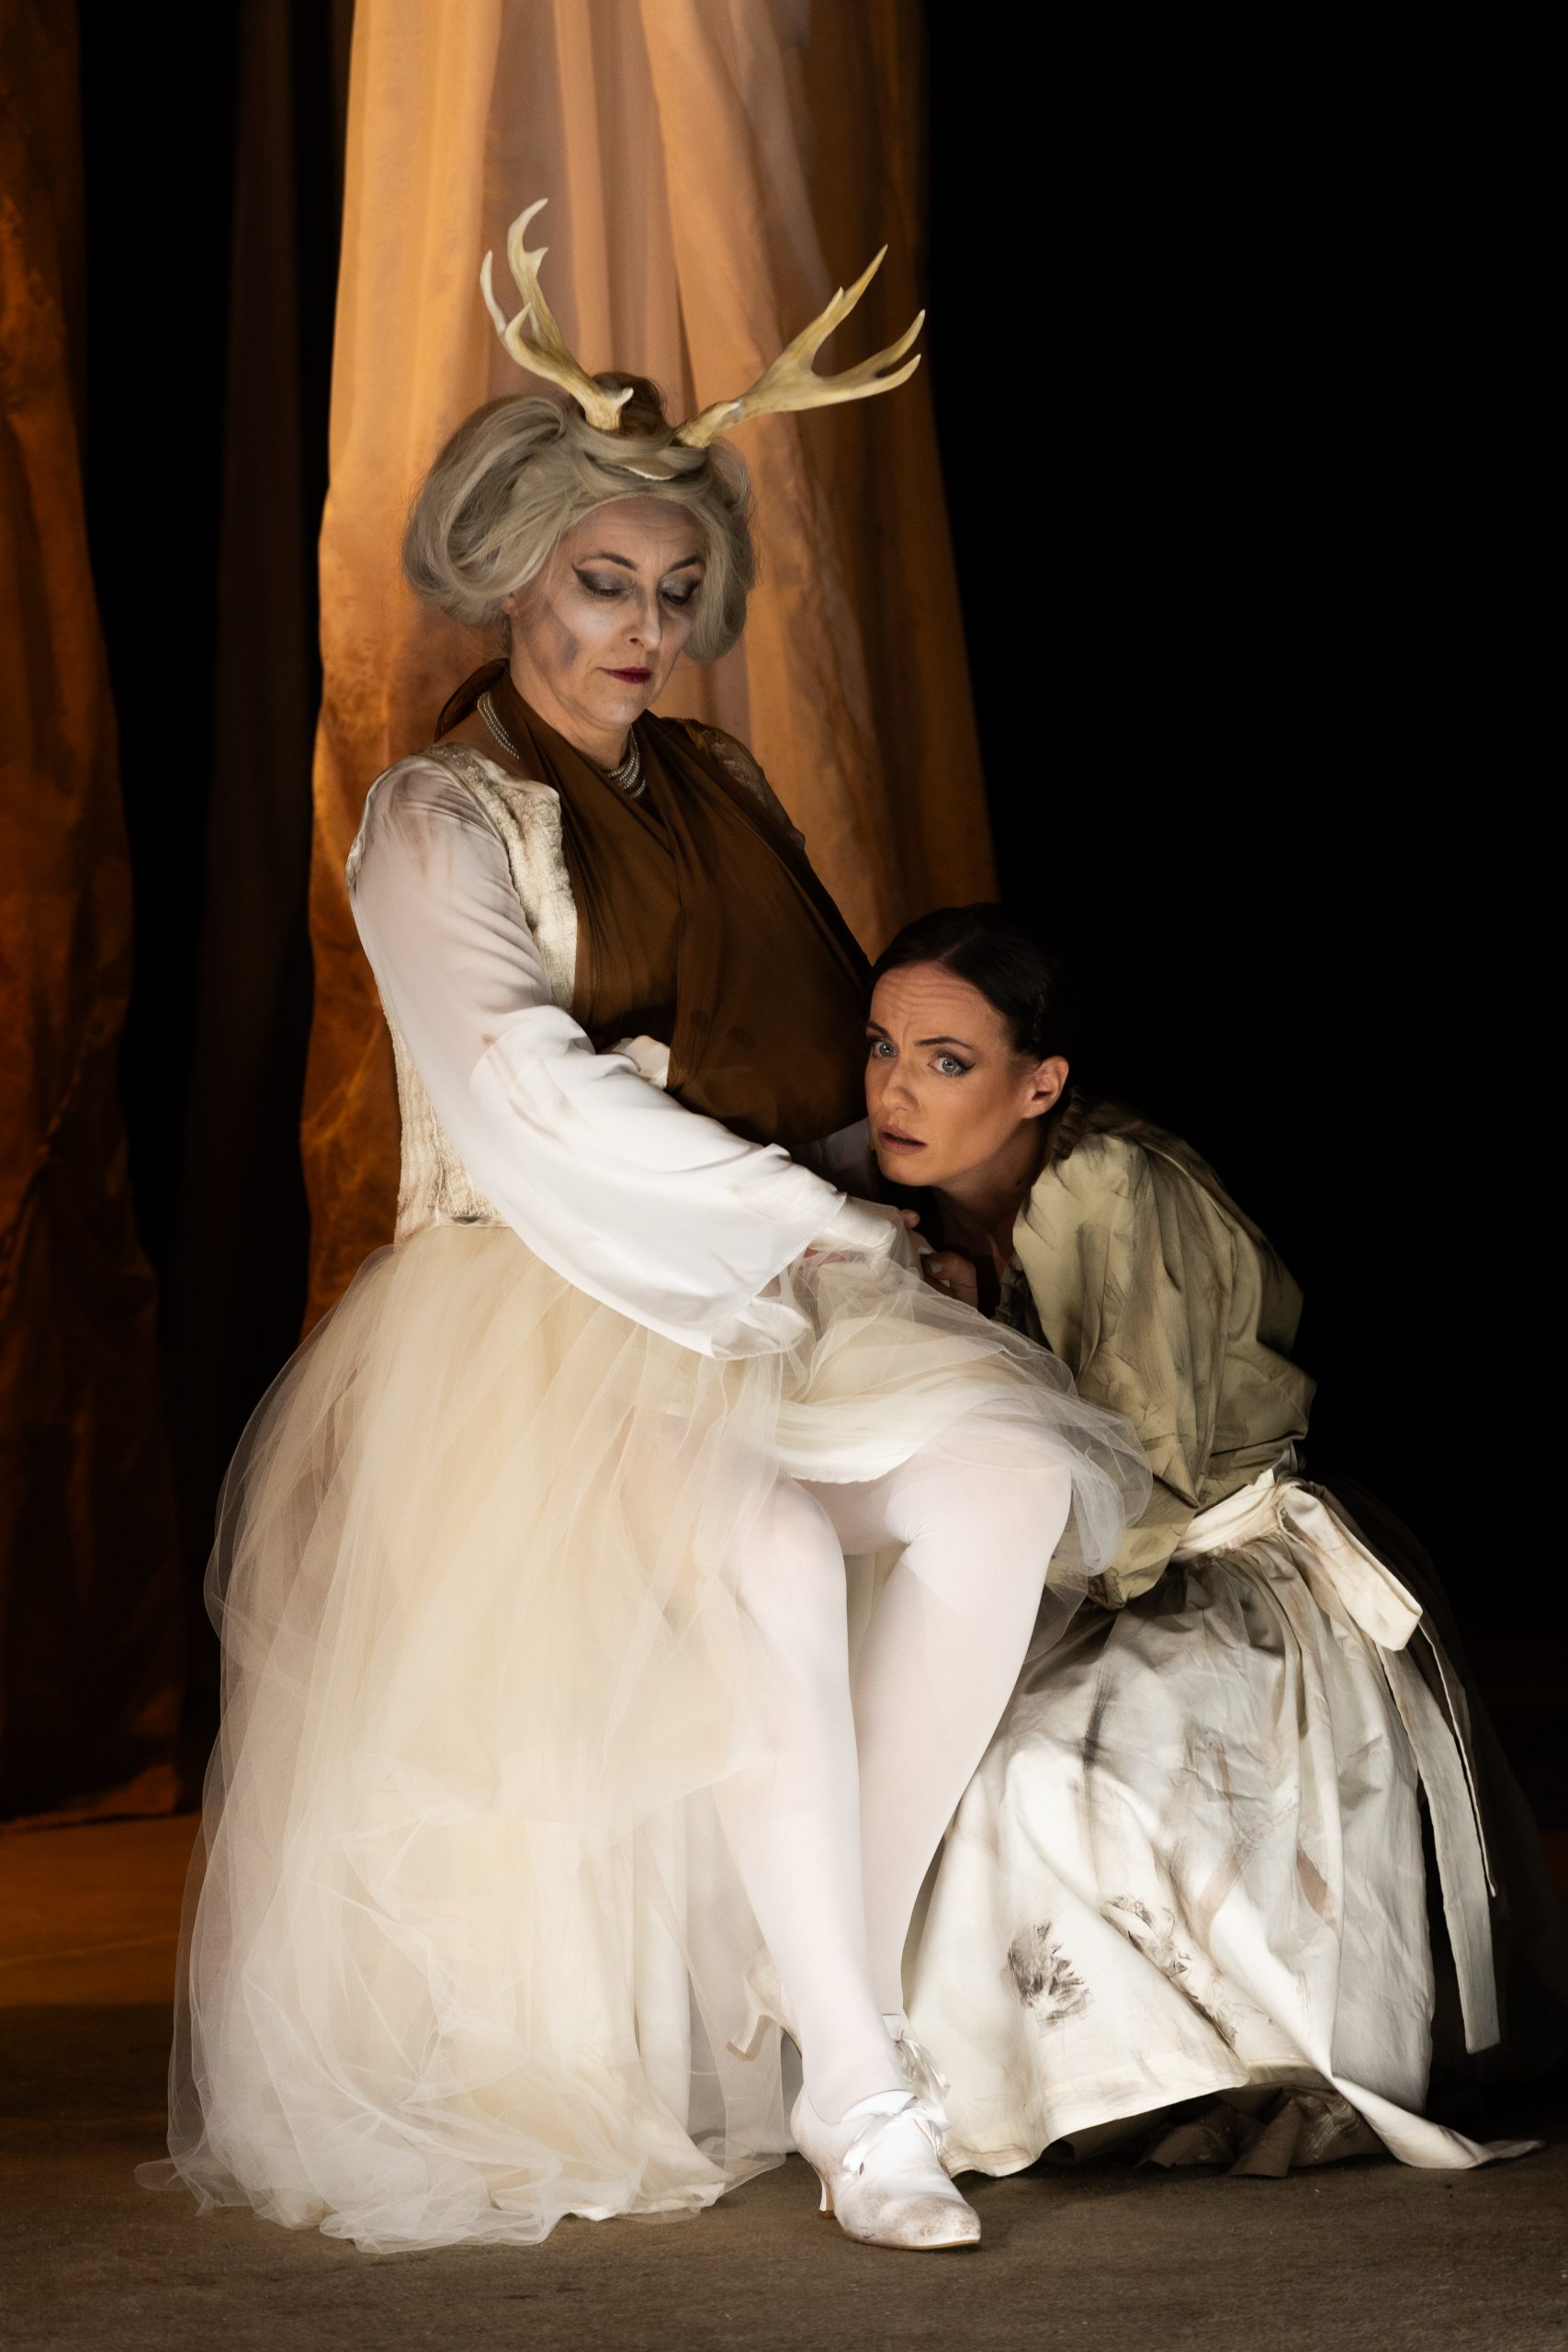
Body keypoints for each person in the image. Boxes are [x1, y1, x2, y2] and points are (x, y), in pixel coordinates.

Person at [141, 209, 1148, 2254]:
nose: (645, 628)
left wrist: (901, 1189)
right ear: (514, 571)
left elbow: (804, 1041)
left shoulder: (719, 781)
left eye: (677, 593)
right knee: (762, 1550)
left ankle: (821, 1975)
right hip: (545, 1304)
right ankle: (865, 2089)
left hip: (769, 1274)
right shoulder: (437, 816)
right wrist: (809, 1213)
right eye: (605, 582)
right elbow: (528, 1090)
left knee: (1007, 1479)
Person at [864, 903, 1566, 2177]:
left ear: (1042, 1083)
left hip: (1222, 1572)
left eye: (945, 1060)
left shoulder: (1110, 1184)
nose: (895, 1090)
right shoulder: (949, 1207)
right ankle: (1052, 2078)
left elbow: (1144, 1476)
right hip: (1112, 1566)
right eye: (881, 1048)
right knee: (912, 1750)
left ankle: (1205, 2062)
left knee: (1033, 1767)